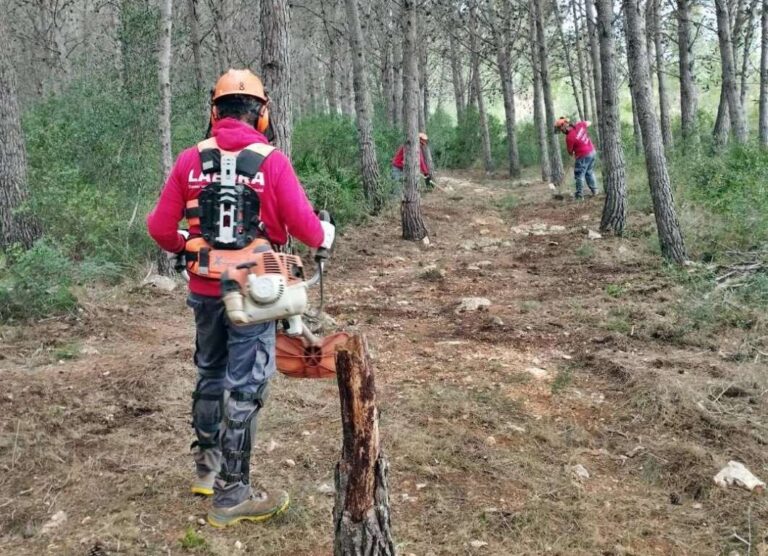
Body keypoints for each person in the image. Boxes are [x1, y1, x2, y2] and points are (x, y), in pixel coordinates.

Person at [146, 69, 334, 528]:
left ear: (215, 112)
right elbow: (307, 228)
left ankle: (207, 471)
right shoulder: (272, 162)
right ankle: (233, 495)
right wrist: (324, 233)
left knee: (210, 373)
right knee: (246, 386)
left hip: (205, 291)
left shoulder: (189, 160)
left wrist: (186, 245)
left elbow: (159, 227)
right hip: (256, 295)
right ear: (261, 114)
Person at [554, 117, 597, 199]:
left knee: (579, 174)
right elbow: (589, 122)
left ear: (564, 127)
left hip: (583, 155)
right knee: (589, 172)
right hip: (592, 152)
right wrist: (581, 125)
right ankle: (595, 191)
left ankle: (579, 196)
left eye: (560, 129)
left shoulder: (569, 137)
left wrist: (573, 152)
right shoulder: (580, 125)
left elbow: (570, 152)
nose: (561, 132)